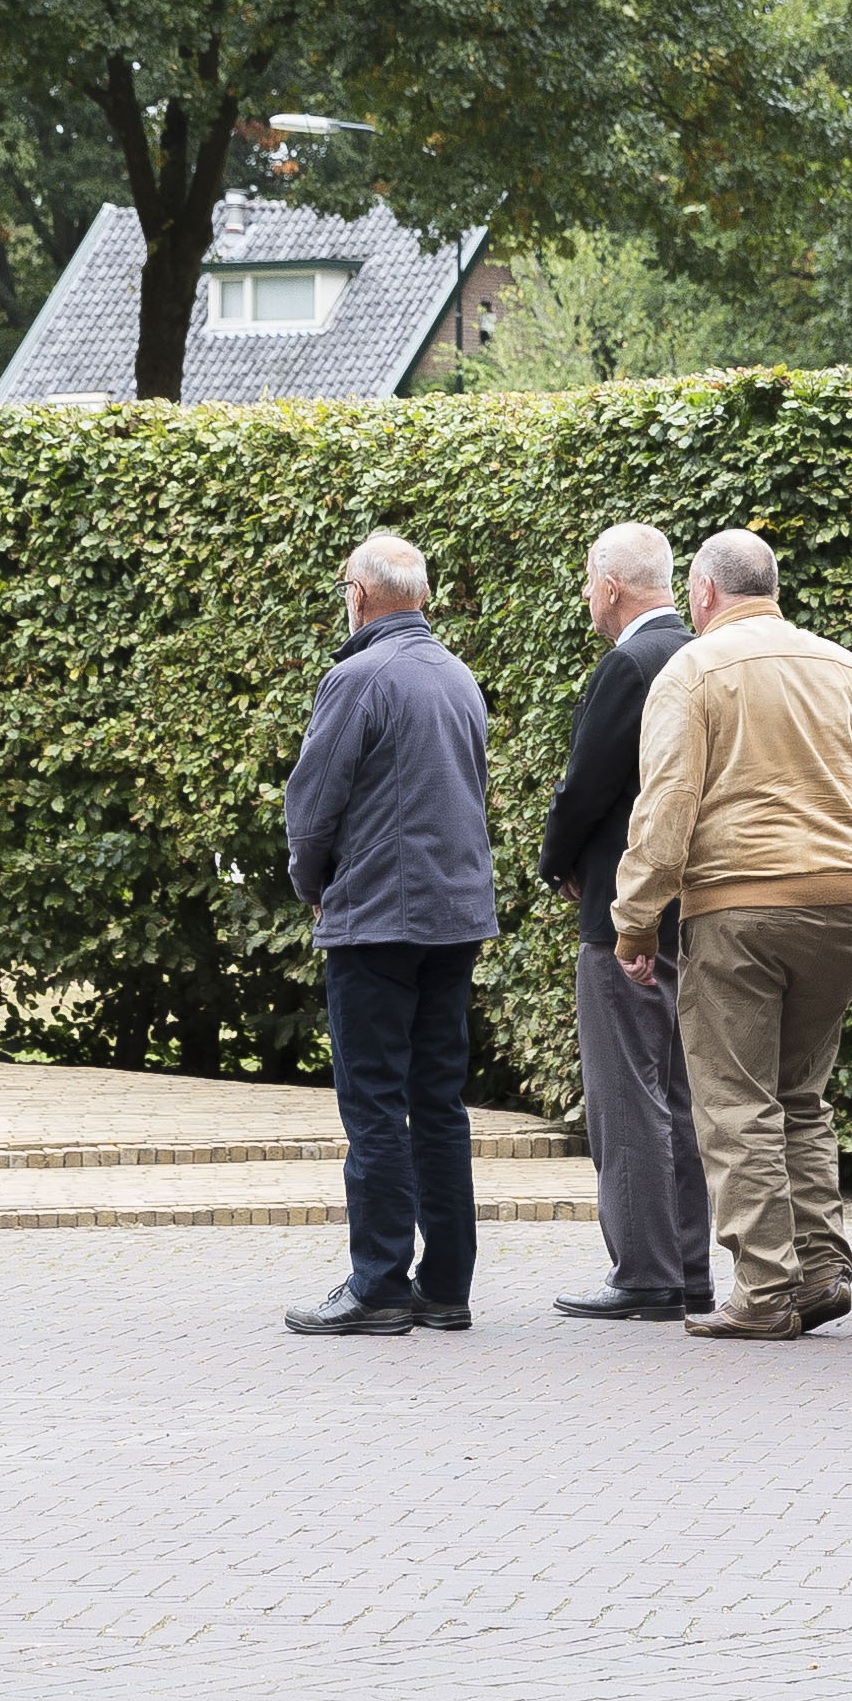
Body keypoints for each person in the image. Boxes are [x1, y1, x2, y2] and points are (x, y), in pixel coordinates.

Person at [607, 529, 852, 1338]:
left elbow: (665, 807)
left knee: (736, 1103)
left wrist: (634, 921)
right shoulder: (844, 667)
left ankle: (765, 1290)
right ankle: (822, 1267)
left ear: (701, 592)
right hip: (843, 904)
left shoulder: (690, 670)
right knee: (800, 1095)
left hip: (739, 905)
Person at [277, 529, 497, 1338]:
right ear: (424, 598)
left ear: (360, 595)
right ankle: (446, 1286)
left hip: (375, 921)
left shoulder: (357, 676)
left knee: (373, 1104)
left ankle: (378, 1285)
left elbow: (312, 807)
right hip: (456, 918)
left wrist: (314, 887)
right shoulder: (459, 676)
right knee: (438, 1103)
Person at [534, 527, 718, 1321]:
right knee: (682, 1089)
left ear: (611, 586)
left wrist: (555, 862)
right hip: (703, 906)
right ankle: (690, 1264)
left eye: (587, 582)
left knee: (627, 1089)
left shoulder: (631, 665)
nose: (585, 597)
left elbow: (585, 785)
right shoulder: (709, 654)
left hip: (628, 910)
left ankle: (645, 1272)